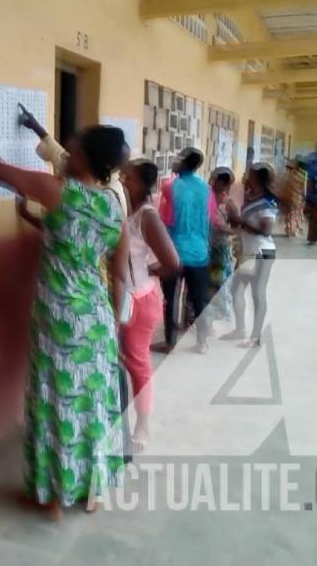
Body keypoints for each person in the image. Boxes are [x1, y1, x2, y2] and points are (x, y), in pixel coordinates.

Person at [0, 126, 129, 519]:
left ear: (85, 156)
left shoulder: (58, 191)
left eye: (73, 145)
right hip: (98, 319)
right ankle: (92, 491)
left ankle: (52, 498)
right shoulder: (112, 207)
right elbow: (118, 274)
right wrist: (114, 330)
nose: (67, 149)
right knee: (92, 404)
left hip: (59, 317)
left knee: (56, 399)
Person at [119, 159, 180, 452]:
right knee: (124, 361)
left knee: (138, 364)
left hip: (139, 299)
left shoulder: (147, 216)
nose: (121, 177)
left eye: (127, 176)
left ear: (142, 183)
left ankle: (143, 425)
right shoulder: (123, 208)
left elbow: (172, 262)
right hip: (122, 296)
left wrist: (146, 272)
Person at [157, 147, 217, 354]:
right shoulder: (206, 189)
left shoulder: (169, 187)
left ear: (182, 161)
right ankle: (202, 342)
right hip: (199, 252)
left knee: (170, 299)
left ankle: (170, 341)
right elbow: (210, 220)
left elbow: (165, 221)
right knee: (198, 298)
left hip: (174, 251)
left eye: (177, 159)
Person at [222, 163, 278, 347]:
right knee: (236, 289)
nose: (246, 176)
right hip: (248, 251)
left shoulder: (267, 202)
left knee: (257, 293)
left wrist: (241, 222)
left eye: (250, 175)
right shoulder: (251, 196)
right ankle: (240, 329)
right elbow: (242, 223)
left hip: (262, 252)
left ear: (259, 179)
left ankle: (255, 337)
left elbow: (266, 229)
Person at [207, 167, 239, 322]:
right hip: (204, 248)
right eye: (218, 180)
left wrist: (223, 228)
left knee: (217, 282)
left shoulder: (229, 204)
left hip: (218, 249)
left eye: (224, 182)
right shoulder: (205, 198)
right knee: (203, 283)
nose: (220, 184)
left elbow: (236, 227)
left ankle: (215, 316)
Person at [279, 157, 307, 238]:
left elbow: (284, 185)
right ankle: (292, 230)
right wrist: (304, 196)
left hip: (289, 196)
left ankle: (289, 229)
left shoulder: (289, 174)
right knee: (295, 214)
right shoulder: (302, 175)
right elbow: (303, 187)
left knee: (289, 214)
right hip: (298, 197)